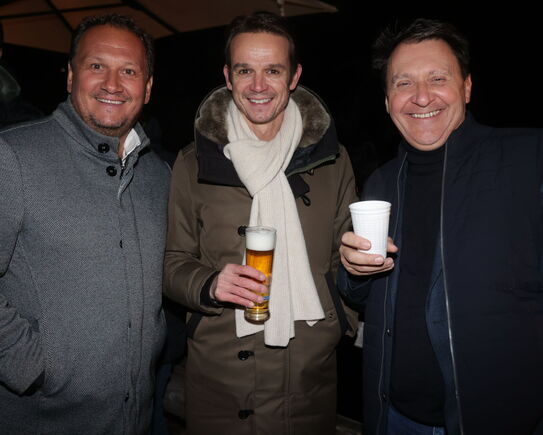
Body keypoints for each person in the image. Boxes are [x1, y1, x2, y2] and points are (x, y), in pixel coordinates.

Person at [337, 18, 543, 435]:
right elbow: (363, 293)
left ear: (466, 87)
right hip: (393, 415)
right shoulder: (381, 182)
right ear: (387, 101)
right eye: (404, 83)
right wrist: (353, 270)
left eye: (437, 78)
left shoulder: (528, 159)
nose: (421, 96)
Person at [164, 11, 358, 435]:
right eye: (244, 70)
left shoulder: (332, 160)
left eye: (273, 70)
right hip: (220, 376)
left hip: (308, 373)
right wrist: (209, 284)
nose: (258, 85)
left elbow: (345, 259)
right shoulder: (193, 163)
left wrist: (339, 320)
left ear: (294, 76)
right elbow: (173, 262)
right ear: (227, 77)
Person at [0, 13, 170, 434]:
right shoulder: (13, 157)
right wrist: (31, 367)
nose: (113, 84)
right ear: (71, 75)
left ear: (148, 87)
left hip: (135, 417)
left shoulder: (158, 175)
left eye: (129, 71)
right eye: (97, 66)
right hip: (44, 419)